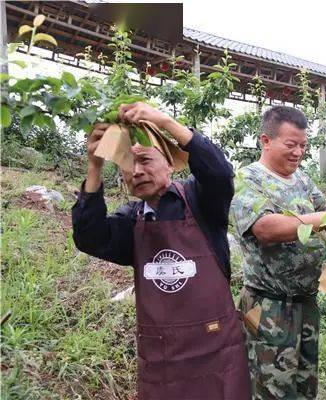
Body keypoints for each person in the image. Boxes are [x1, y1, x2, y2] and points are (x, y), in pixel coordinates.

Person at [72, 102, 251, 400]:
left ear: (169, 163)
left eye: (145, 160)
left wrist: (165, 121)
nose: (137, 171)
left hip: (217, 352)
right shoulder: (131, 219)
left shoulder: (200, 200)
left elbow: (219, 173)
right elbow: (89, 237)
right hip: (163, 361)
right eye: (128, 163)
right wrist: (94, 165)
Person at [231, 106, 326, 399]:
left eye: (303, 145)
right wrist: (323, 220)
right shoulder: (248, 179)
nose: (298, 152)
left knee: (304, 388)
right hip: (268, 307)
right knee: (269, 390)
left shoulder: (302, 180)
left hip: (305, 304)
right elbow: (265, 228)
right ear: (266, 140)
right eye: (291, 145)